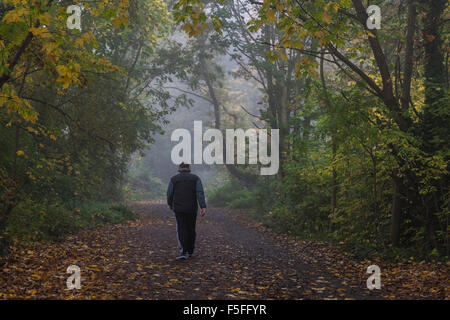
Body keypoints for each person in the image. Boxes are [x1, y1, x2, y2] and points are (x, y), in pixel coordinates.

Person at [167, 163, 206, 260]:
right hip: (192, 208)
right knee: (191, 229)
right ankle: (191, 250)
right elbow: (200, 192)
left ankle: (183, 251)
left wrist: (170, 203)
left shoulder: (174, 179)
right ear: (189, 168)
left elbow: (169, 193)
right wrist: (203, 206)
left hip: (179, 208)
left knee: (181, 228)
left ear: (180, 168)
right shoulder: (195, 178)